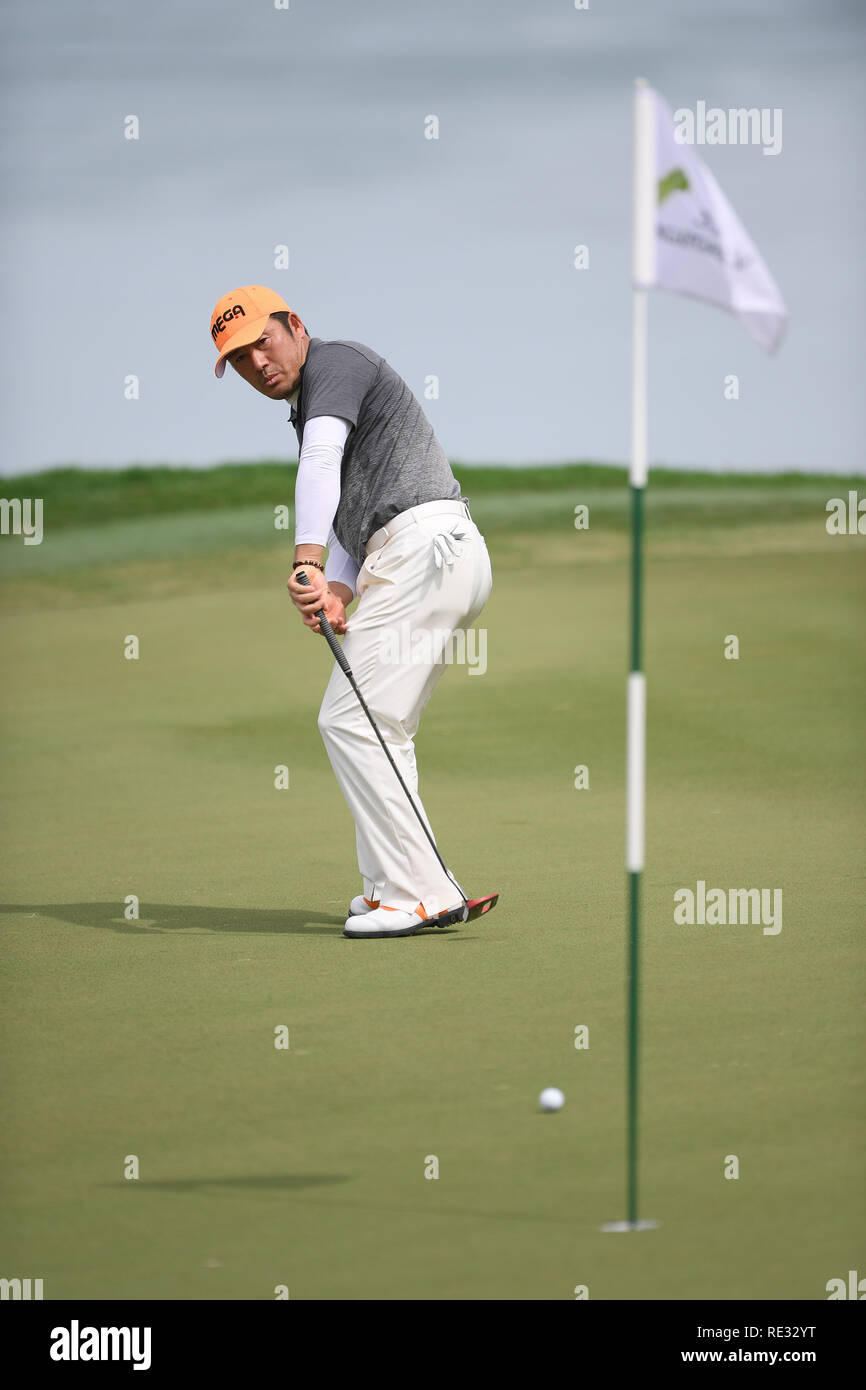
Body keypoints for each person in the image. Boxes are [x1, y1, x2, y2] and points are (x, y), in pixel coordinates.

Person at [211, 285, 493, 938]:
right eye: (241, 358)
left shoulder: (335, 364)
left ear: (296, 326)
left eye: (263, 341)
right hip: (434, 554)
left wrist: (305, 560)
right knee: (379, 724)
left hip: (423, 551)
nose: (259, 363)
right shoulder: (316, 397)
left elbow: (321, 461)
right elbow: (347, 505)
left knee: (347, 720)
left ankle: (421, 894)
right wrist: (337, 586)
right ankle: (390, 885)